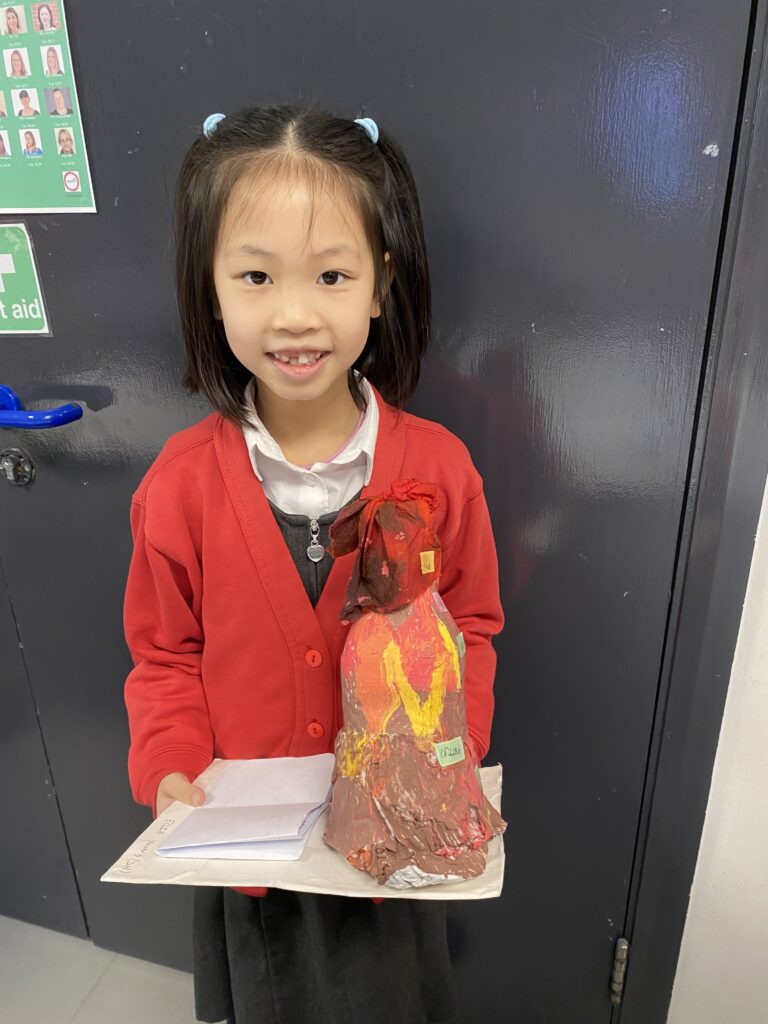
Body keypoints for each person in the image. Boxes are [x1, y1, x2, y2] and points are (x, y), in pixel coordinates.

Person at [123, 103, 505, 1024]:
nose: (295, 315)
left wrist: (450, 750)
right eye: (255, 276)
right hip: (252, 868)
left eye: (332, 275)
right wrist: (170, 764)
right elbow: (164, 655)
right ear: (210, 288)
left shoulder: (441, 470)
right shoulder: (179, 485)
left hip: (394, 850)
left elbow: (472, 626)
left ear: (381, 284)